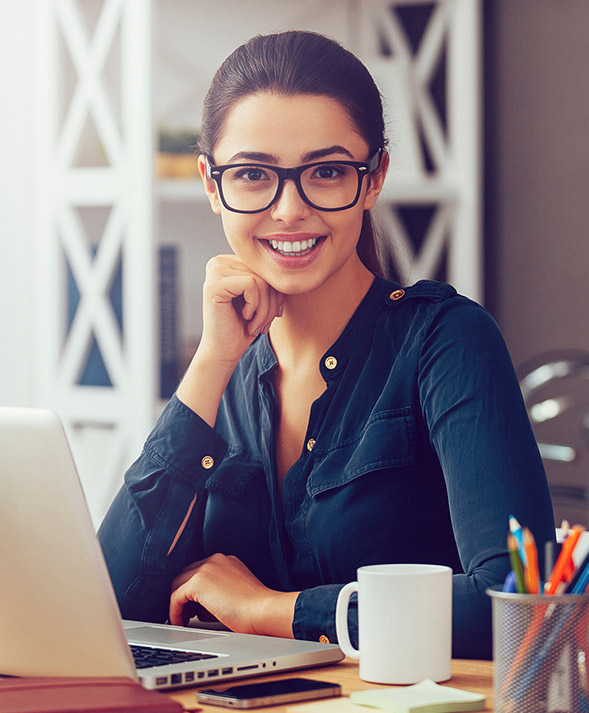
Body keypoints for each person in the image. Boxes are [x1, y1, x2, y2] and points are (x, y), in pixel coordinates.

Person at [98, 30, 554, 660]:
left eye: (328, 172)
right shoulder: (224, 372)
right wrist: (210, 363)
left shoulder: (446, 342)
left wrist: (268, 611)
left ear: (374, 179)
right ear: (211, 183)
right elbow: (111, 608)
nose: (290, 209)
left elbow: (519, 608)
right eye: (253, 175)